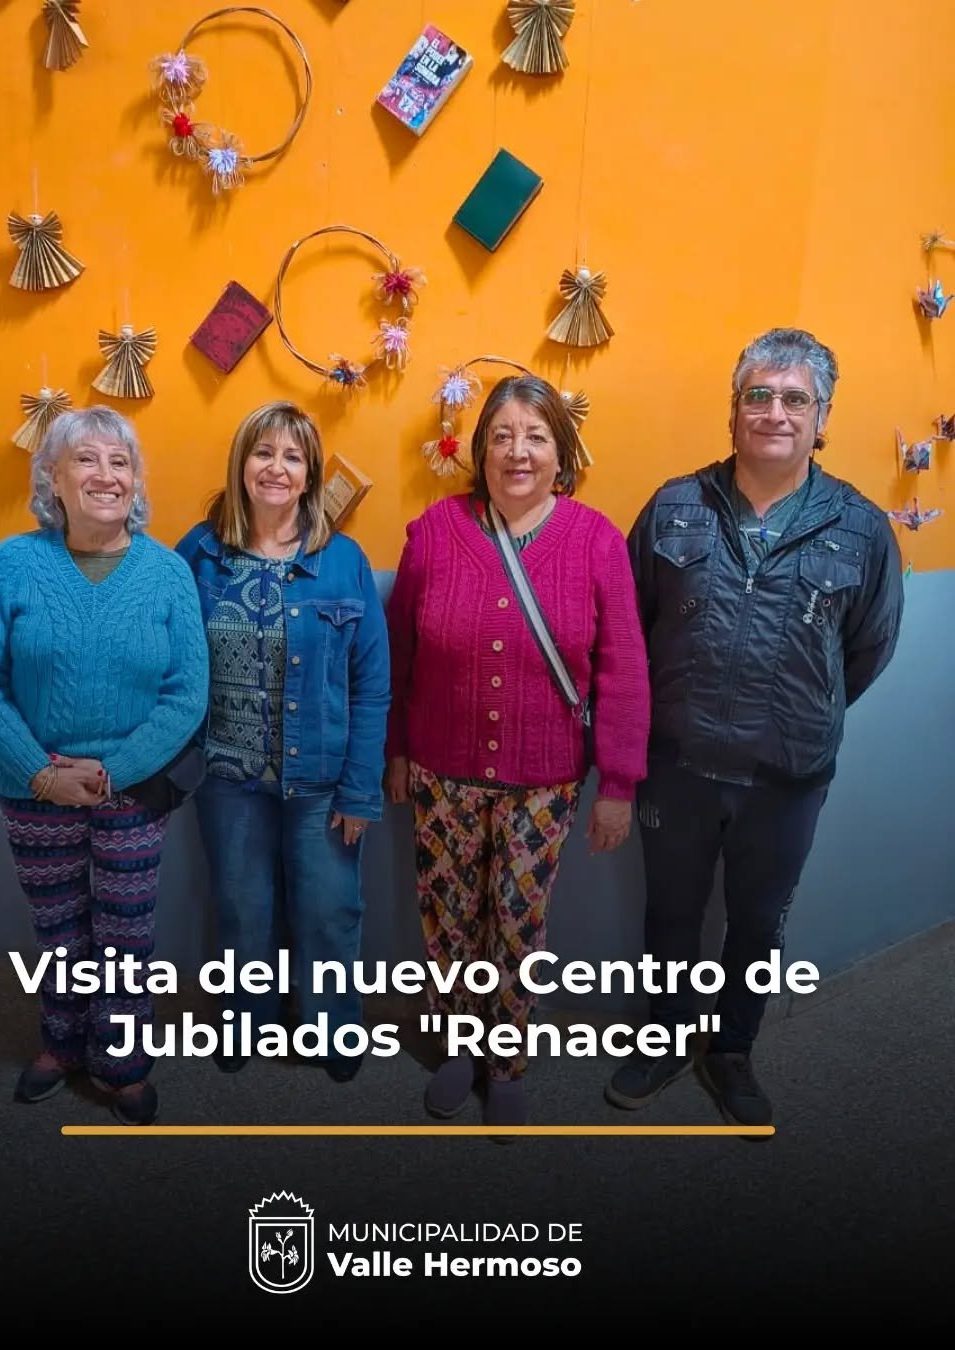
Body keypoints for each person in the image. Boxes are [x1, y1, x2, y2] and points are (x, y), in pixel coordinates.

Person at [609, 327, 904, 1128]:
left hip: (787, 776)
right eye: (759, 396)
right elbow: (630, 632)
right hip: (678, 765)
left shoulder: (861, 527)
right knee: (670, 916)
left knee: (758, 922)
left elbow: (867, 648)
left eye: (795, 399)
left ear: (822, 417)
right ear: (735, 409)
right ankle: (668, 1036)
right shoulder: (674, 506)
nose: (775, 412)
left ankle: (733, 1049)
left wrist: (800, 711)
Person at [385, 375, 651, 1129]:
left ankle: (505, 1057)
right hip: (441, 772)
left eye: (535, 436)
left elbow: (624, 670)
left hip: (545, 782)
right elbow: (397, 657)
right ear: (481, 451)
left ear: (561, 453)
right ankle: (459, 1045)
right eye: (501, 435)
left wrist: (619, 785)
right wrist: (395, 751)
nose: (517, 451)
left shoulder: (596, 540)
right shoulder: (434, 532)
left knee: (517, 919)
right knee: (448, 916)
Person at [0, 406, 209, 1126]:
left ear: (136, 481)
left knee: (126, 935)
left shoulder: (167, 574)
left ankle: (121, 1062)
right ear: (53, 479)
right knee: (58, 929)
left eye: (120, 462)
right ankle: (62, 1043)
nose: (106, 475)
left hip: (132, 791)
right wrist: (42, 773)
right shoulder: (14, 563)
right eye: (86, 459)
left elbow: (187, 695)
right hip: (32, 790)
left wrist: (110, 772)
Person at [176, 401, 390, 1082]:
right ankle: (249, 1022)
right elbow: (170, 661)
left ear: (310, 475)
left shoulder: (342, 561)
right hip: (226, 778)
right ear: (241, 464)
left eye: (292, 457)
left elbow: (372, 686)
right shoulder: (199, 553)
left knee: (329, 912)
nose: (276, 468)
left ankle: (333, 1030)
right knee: (244, 911)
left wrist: (360, 791)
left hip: (322, 781)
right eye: (263, 452)